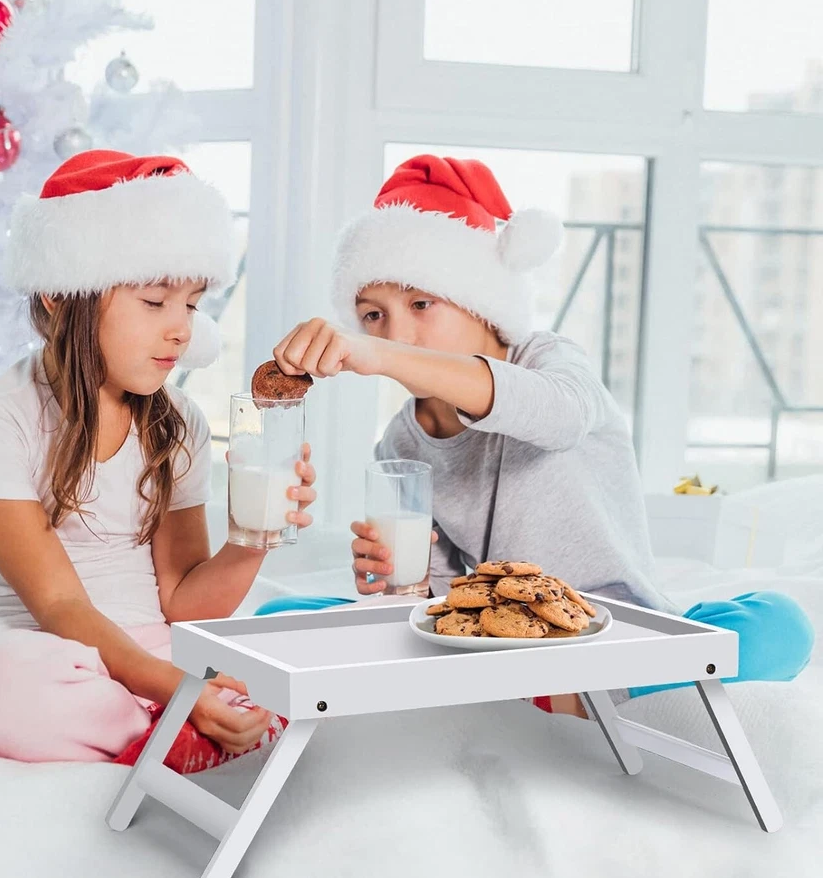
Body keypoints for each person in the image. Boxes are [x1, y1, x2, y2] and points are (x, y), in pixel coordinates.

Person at [259, 154, 813, 715]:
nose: (397, 331)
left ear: (482, 303)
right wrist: (407, 579)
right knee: (278, 621)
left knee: (779, 621)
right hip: (503, 640)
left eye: (421, 303)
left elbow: (558, 417)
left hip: (614, 627)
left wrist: (380, 353)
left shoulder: (551, 363)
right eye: (372, 317)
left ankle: (580, 693)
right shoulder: (402, 442)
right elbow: (449, 595)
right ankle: (553, 694)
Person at [0, 150, 317, 766]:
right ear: (63, 294)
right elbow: (60, 607)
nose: (182, 330)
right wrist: (184, 691)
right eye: (154, 302)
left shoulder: (178, 424)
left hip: (157, 650)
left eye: (191, 304)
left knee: (292, 650)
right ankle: (179, 731)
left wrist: (256, 537)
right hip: (45, 652)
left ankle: (178, 729)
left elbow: (184, 605)